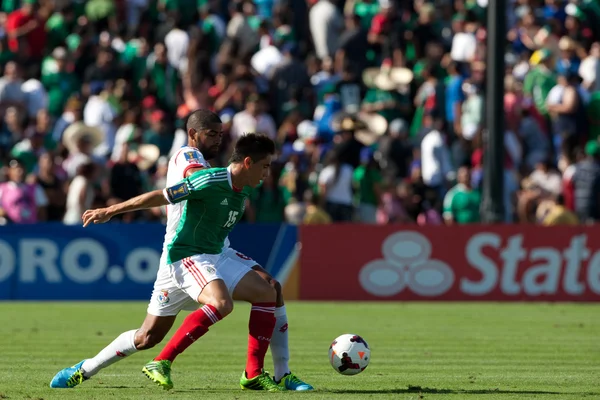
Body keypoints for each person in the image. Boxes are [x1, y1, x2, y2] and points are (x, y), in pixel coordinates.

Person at [50, 120, 311, 391]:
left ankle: (266, 373)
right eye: (265, 166)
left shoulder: (244, 186)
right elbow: (161, 196)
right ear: (247, 162)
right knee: (148, 337)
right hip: (186, 256)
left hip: (216, 255)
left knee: (270, 289)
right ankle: (90, 368)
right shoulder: (207, 178)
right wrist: (111, 210)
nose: (268, 173)